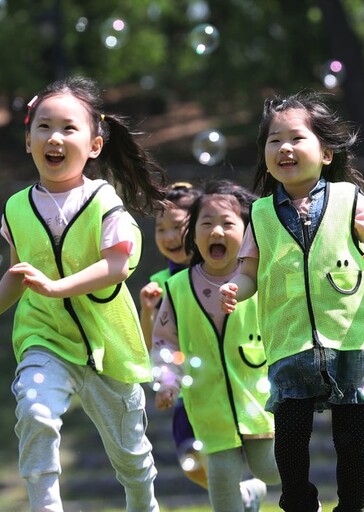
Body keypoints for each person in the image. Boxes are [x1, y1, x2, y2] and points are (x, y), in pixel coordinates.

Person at [0, 76, 169, 512]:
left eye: (69, 128)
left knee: (132, 458)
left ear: (95, 145)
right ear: (28, 142)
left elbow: (117, 266)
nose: (55, 137)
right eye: (43, 127)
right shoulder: (16, 207)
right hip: (43, 336)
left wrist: (55, 286)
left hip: (109, 345)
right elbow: (18, 269)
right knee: (34, 410)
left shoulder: (106, 202)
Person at [220, 92, 364, 512]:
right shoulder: (262, 214)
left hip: (351, 335)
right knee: (289, 442)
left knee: (353, 441)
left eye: (296, 138)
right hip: (290, 340)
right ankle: (301, 503)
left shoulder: (349, 198)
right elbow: (248, 272)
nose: (284, 148)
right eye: (273, 140)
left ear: (325, 152)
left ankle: (351, 508)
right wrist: (236, 287)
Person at [153, 179, 279, 512]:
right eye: (206, 224)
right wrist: (167, 381)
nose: (216, 231)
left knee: (272, 467)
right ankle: (246, 497)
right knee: (222, 484)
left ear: (248, 234)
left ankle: (306, 503)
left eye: (227, 223)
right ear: (192, 236)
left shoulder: (261, 279)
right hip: (209, 409)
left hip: (261, 401)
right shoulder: (178, 288)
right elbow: (164, 341)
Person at [138, 181, 210, 489]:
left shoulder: (219, 271)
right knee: (190, 460)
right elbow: (151, 344)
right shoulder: (159, 283)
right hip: (188, 388)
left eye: (178, 227)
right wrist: (147, 310)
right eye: (160, 228)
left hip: (232, 379)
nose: (168, 237)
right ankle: (242, 493)